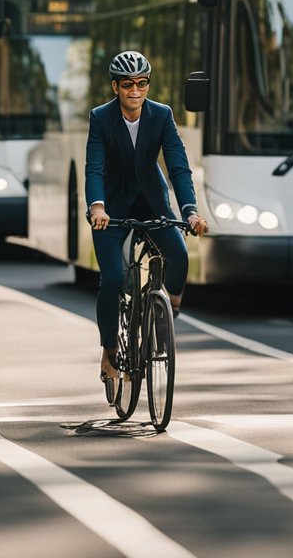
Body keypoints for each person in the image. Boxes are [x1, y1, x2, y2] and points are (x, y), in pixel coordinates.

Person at [85, 50, 208, 387]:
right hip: (111, 209)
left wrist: (191, 212)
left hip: (152, 203)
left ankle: (169, 309)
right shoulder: (100, 118)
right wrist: (97, 207)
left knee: (180, 256)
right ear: (115, 87)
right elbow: (94, 167)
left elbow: (178, 167)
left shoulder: (162, 115)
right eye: (128, 84)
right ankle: (110, 351)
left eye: (142, 83)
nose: (135, 90)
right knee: (112, 279)